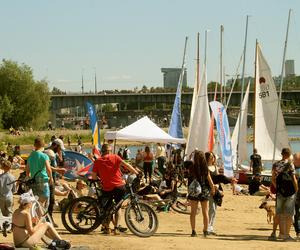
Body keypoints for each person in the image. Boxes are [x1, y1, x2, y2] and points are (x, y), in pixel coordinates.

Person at [92, 144, 139, 235]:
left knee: (108, 208)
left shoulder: (98, 161)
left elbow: (94, 177)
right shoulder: (115, 157)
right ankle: (116, 228)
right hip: (119, 186)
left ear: (102, 151)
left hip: (106, 188)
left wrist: (100, 179)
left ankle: (106, 227)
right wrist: (137, 173)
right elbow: (127, 166)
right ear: (110, 151)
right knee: (118, 207)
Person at [269, 148, 298, 241]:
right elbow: (294, 179)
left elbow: (273, 179)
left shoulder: (275, 164)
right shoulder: (290, 164)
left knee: (278, 213)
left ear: (281, 154)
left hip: (280, 192)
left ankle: (274, 233)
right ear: (289, 155)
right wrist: (296, 190)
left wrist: (277, 188)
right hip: (290, 192)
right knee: (288, 214)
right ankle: (286, 235)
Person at [188, 150, 215, 237]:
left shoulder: (192, 167)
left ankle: (193, 231)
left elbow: (189, 180)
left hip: (194, 190)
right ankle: (205, 230)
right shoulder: (205, 168)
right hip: (203, 190)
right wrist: (213, 189)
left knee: (193, 212)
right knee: (205, 212)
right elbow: (210, 181)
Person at [26, 138, 54, 207]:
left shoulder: (30, 156)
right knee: (45, 199)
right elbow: (48, 168)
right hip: (43, 180)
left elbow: (27, 169)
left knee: (36, 200)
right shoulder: (44, 156)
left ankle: (36, 214)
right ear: (43, 146)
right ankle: (40, 215)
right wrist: (51, 178)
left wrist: (28, 176)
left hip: (34, 180)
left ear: (34, 145)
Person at [205, 151, 219, 236]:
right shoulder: (206, 167)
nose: (212, 158)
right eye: (210, 157)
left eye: (213, 157)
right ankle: (208, 227)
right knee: (211, 208)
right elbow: (207, 179)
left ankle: (211, 226)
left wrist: (217, 186)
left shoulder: (215, 167)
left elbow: (217, 178)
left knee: (214, 208)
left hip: (216, 189)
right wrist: (212, 187)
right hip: (208, 190)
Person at [293, 152, 300, 239]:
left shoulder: (292, 170)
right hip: (295, 195)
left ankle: (298, 232)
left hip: (295, 195)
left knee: (296, 214)